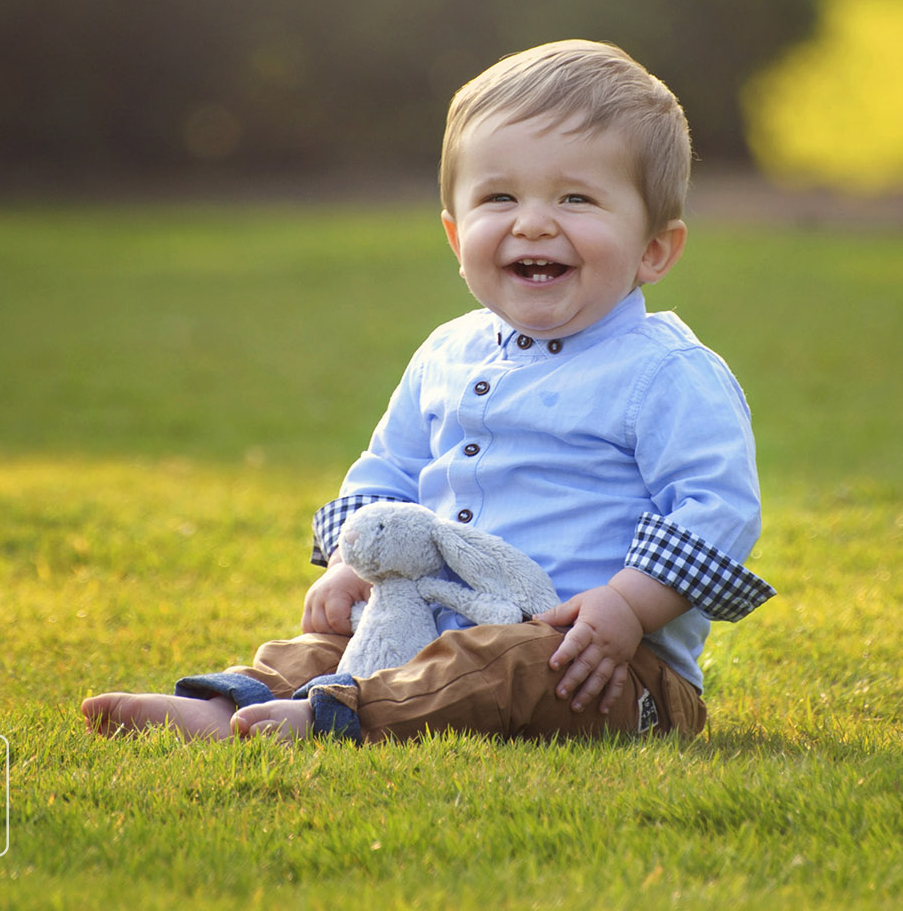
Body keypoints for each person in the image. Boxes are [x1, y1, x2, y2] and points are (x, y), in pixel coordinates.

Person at [81, 40, 774, 743]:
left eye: (576, 198)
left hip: (598, 667)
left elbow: (715, 508)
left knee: (500, 662)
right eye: (499, 197)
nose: (532, 222)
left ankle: (335, 720)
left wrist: (627, 608)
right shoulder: (449, 352)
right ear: (455, 234)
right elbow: (389, 473)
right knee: (338, 643)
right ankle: (234, 703)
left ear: (654, 248)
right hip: (431, 619)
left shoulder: (664, 372)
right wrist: (355, 563)